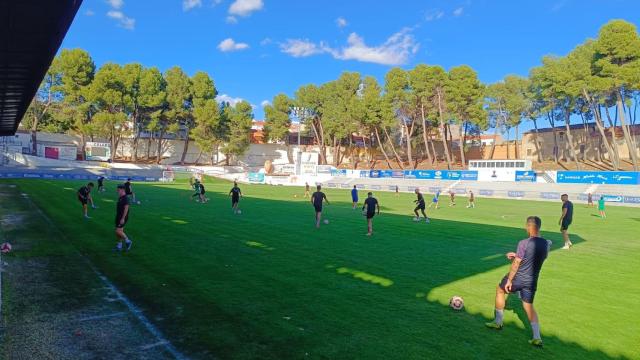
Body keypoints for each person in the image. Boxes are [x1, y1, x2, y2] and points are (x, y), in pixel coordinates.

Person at [486, 216, 551, 347]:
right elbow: (537, 258)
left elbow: (517, 263)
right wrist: (517, 255)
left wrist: (510, 280)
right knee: (528, 306)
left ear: (528, 226)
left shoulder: (523, 243)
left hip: (518, 278)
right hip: (532, 281)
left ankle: (498, 322)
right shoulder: (546, 243)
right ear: (539, 227)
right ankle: (537, 337)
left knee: (500, 290)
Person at [114, 184, 133, 252]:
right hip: (118, 216)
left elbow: (126, 208)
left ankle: (128, 241)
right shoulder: (120, 197)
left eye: (118, 190)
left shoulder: (126, 198)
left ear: (122, 190)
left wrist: (123, 218)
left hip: (122, 218)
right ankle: (119, 245)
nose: (117, 191)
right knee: (119, 232)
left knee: (118, 231)